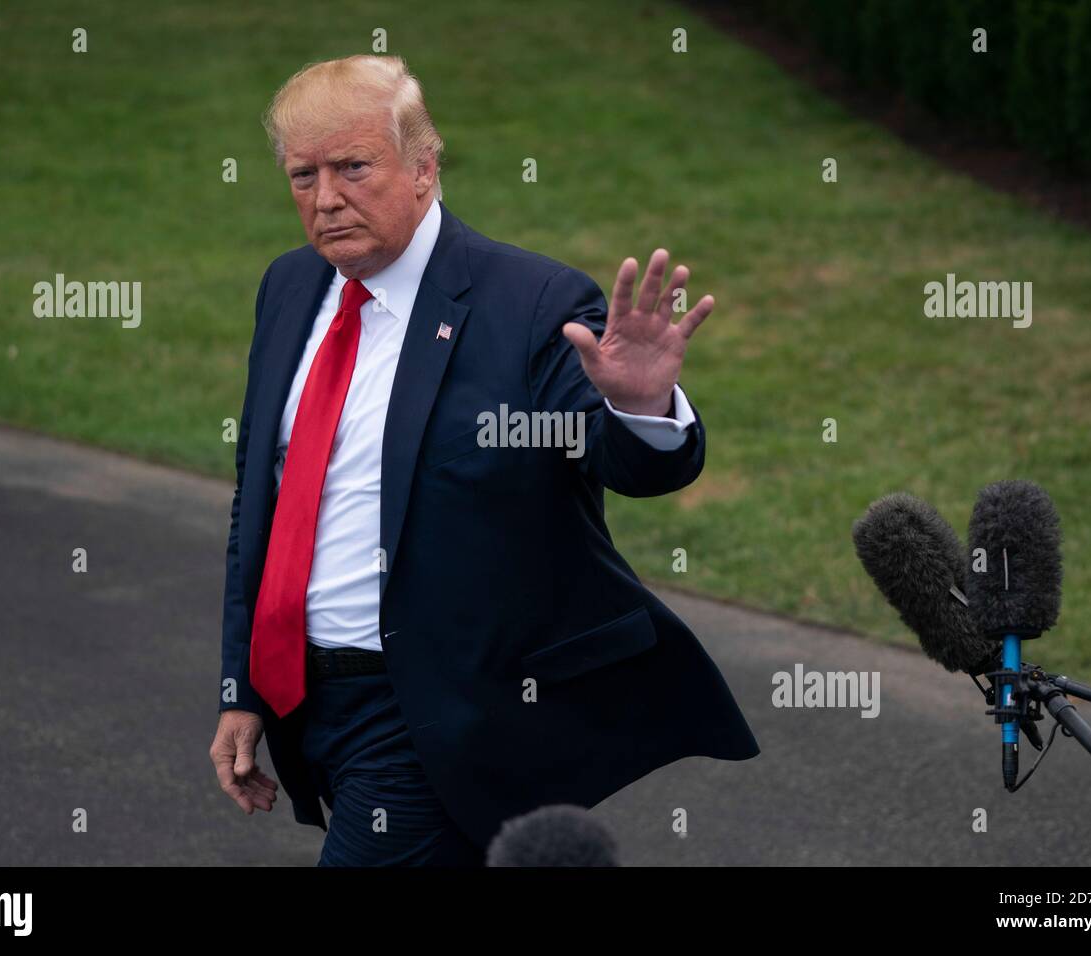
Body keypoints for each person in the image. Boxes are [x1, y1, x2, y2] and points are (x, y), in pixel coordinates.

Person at [209, 54, 758, 866]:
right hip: (311, 703)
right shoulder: (290, 288)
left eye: (354, 167)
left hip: (436, 710)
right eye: (303, 175)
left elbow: (624, 463)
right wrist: (242, 687)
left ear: (425, 167)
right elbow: (258, 506)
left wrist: (635, 405)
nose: (325, 199)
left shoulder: (529, 303)